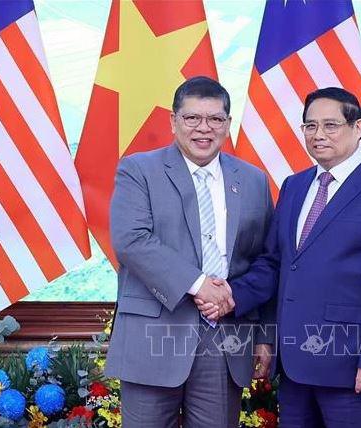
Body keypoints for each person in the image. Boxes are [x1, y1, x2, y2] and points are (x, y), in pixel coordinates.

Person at [198, 87, 361, 427]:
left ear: (358, 128)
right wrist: (233, 297)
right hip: (295, 368)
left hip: (355, 369)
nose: (318, 135)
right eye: (310, 126)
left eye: (330, 125)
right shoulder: (295, 186)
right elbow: (275, 265)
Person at [105, 76, 274, 428]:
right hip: (155, 334)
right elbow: (131, 240)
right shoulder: (139, 170)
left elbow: (264, 262)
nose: (204, 128)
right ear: (173, 121)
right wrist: (200, 284)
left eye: (215, 119)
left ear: (228, 125)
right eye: (192, 118)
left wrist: (264, 336)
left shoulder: (254, 180)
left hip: (226, 338)